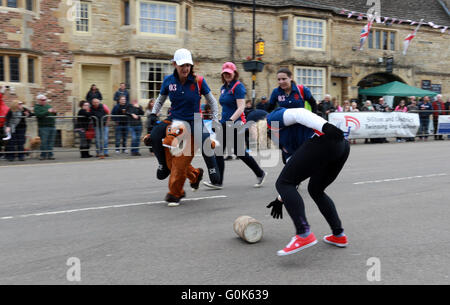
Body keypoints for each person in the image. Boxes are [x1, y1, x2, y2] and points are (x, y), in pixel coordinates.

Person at [266, 107, 350, 256]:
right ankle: (339, 235)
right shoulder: (285, 147)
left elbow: (300, 113)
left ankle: (303, 233)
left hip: (326, 138)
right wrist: (281, 199)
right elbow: (295, 179)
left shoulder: (272, 117)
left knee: (282, 183)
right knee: (316, 190)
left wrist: (326, 126)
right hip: (340, 147)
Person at [148, 48, 221, 193]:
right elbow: (160, 100)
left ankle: (213, 170)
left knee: (205, 140)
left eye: (188, 65)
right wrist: (153, 114)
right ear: (175, 64)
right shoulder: (168, 81)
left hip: (194, 119)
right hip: (174, 119)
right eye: (182, 65)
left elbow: (212, 102)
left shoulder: (199, 81)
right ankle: (162, 164)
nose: (185, 68)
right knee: (155, 136)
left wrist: (215, 120)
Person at [215, 61, 266, 188]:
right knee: (219, 151)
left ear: (234, 73)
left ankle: (260, 173)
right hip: (224, 122)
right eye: (225, 73)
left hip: (235, 122)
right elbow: (226, 107)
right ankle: (218, 181)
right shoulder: (223, 88)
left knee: (239, 152)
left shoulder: (238, 86)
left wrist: (230, 121)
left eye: (229, 73)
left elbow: (241, 107)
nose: (227, 75)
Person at [34, 94, 57, 160]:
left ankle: (50, 154)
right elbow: (38, 115)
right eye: (42, 100)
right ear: (38, 100)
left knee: (51, 141)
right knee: (44, 141)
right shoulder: (37, 107)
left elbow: (52, 114)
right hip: (43, 126)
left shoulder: (48, 106)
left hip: (52, 125)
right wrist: (47, 111)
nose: (44, 101)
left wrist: (54, 112)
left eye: (45, 100)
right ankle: (43, 155)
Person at [0, 85, 10, 159]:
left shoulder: (2, 103)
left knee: (4, 139)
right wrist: (2, 90)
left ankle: (4, 153)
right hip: (2, 123)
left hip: (3, 124)